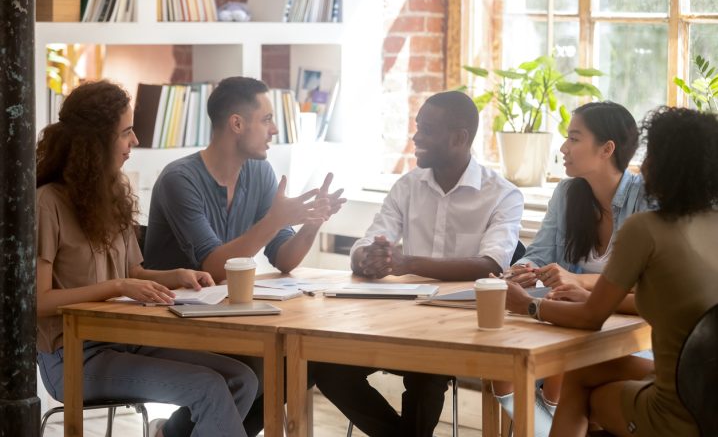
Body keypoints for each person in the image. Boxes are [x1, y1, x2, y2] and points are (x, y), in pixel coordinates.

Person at [35, 81, 259, 437]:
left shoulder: (113, 192)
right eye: (126, 132)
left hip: (125, 338)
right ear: (95, 142)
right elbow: (37, 301)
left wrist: (179, 275)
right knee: (208, 387)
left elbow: (134, 271)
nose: (135, 141)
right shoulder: (47, 203)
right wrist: (119, 286)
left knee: (242, 379)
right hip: (74, 357)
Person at [312, 91, 524, 437]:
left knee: (425, 372)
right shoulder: (407, 186)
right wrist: (368, 257)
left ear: (459, 138)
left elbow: (491, 266)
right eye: (416, 128)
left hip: (464, 328)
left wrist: (406, 262)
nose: (416, 138)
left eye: (426, 130)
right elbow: (370, 239)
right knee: (327, 366)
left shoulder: (503, 194)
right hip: (400, 322)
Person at [143, 76, 345, 436]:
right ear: (237, 123)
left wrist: (314, 222)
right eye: (267, 119)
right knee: (257, 370)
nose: (274, 129)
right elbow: (214, 268)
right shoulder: (180, 179)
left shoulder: (259, 172)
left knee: (305, 365)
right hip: (171, 318)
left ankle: (173, 433)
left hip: (225, 315)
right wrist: (275, 218)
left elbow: (283, 257)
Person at [505, 106, 718, 437]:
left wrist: (528, 305)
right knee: (584, 372)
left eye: (652, 156)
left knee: (581, 384)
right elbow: (667, 301)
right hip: (707, 389)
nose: (643, 165)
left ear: (666, 165)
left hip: (681, 407)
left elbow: (592, 317)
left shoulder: (645, 226)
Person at [491, 101, 650, 434]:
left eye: (574, 138)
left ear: (607, 149)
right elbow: (538, 253)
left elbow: (648, 286)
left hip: (630, 336)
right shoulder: (567, 193)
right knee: (501, 366)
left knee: (563, 374)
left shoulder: (646, 200)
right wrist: (523, 271)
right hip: (570, 325)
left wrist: (576, 280)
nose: (563, 148)